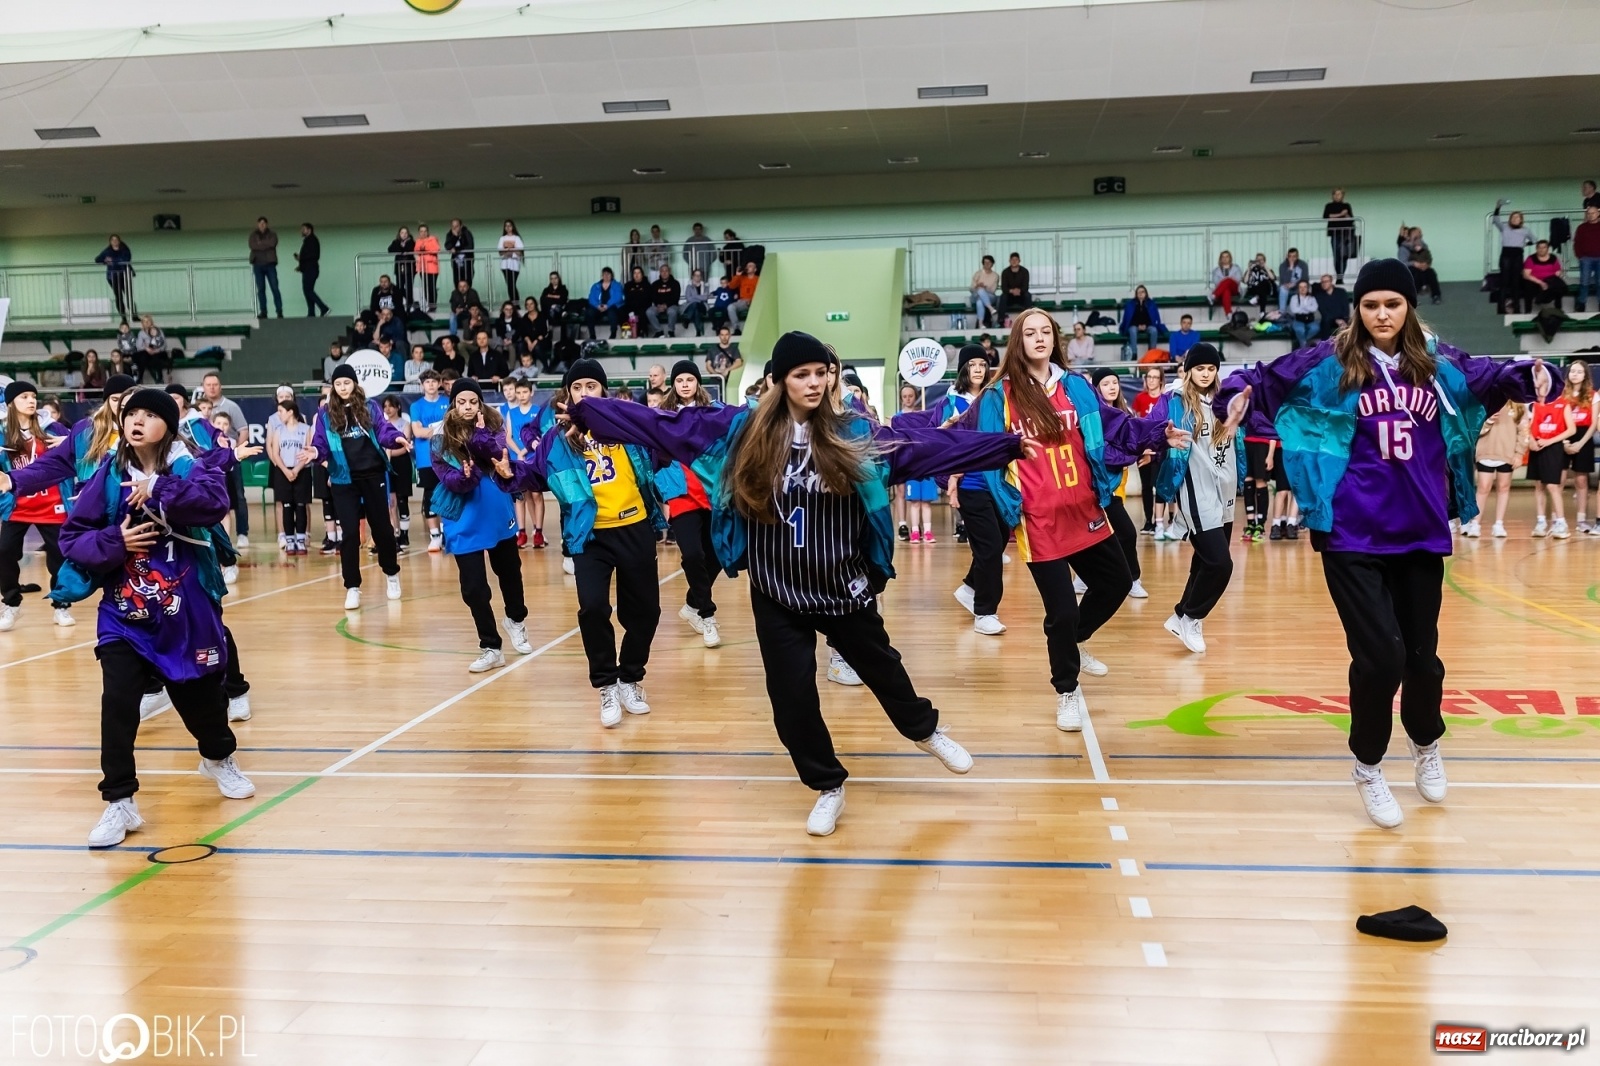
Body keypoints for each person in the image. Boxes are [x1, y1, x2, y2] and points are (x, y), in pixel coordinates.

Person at [563, 332, 1034, 835]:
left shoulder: (855, 433)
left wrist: (1004, 446)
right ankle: (828, 786)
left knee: (885, 670)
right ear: (780, 381)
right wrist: (590, 413)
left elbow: (930, 447)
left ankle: (926, 731)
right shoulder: (743, 432)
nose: (813, 382)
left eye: (820, 372)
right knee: (791, 700)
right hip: (777, 590)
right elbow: (663, 425)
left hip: (842, 587)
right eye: (801, 374)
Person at [1217, 258, 1555, 829]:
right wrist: (1236, 392)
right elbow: (1261, 378)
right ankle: (1368, 764)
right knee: (1381, 657)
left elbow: (1492, 377)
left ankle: (1426, 742)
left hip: (1420, 530)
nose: (1381, 314)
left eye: (1392, 304)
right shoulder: (1330, 362)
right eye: (1371, 304)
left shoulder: (1438, 362)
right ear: (1357, 308)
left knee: (1422, 659)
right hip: (1351, 530)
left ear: (1408, 307)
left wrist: (1533, 372)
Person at [954, 310, 1185, 727]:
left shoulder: (1076, 387)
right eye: (1029, 332)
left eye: (1045, 331)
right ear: (1017, 341)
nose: (1039, 338)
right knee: (1060, 610)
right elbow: (974, 445)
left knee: (1117, 582)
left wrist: (1156, 434)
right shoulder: (998, 396)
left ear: (1054, 339)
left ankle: (1073, 642)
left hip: (1085, 509)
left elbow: (1116, 426)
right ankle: (1067, 689)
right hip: (1038, 518)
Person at [58, 387, 257, 847]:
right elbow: (73, 536)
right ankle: (119, 801)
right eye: (132, 413)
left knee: (202, 703)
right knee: (119, 702)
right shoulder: (109, 474)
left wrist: (161, 487)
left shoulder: (188, 465)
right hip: (124, 613)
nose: (138, 420)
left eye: (150, 414)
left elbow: (213, 504)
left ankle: (217, 757)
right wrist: (117, 543)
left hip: (184, 612)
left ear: (169, 425)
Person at [503, 358, 664, 726]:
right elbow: (534, 473)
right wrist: (509, 469)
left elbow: (660, 451)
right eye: (577, 388)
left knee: (645, 612)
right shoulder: (558, 439)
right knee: (592, 608)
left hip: (634, 527)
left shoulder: (627, 424)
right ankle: (607, 685)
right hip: (589, 535)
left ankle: (631, 677)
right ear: (569, 395)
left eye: (591, 386)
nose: (585, 393)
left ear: (603, 391)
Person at [429, 379, 534, 671]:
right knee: (474, 587)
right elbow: (447, 479)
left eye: (473, 401)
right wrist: (465, 476)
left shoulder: (494, 428)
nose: (467, 407)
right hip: (463, 518)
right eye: (461, 402)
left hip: (497, 511)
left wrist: (477, 438)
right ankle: (491, 646)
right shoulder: (440, 440)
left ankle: (516, 620)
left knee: (510, 572)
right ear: (453, 404)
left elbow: (498, 454)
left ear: (480, 404)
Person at [1154, 344, 1242, 653]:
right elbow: (1156, 429)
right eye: (1200, 368)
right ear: (1189, 370)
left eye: (1211, 368)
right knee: (1220, 564)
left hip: (1225, 488)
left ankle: (1181, 614)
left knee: (1204, 561)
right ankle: (1192, 615)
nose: (1206, 373)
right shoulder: (1175, 401)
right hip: (1194, 487)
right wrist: (1153, 445)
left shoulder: (1226, 399)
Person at [307, 365, 410, 608]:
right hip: (343, 479)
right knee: (350, 534)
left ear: (354, 383)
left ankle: (391, 574)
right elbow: (319, 442)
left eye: (347, 382)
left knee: (383, 529)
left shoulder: (370, 407)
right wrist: (314, 451)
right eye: (338, 384)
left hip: (373, 475)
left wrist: (395, 438)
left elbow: (384, 431)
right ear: (334, 387)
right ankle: (352, 586)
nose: (343, 387)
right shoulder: (325, 413)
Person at [657, 361, 724, 647]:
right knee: (692, 555)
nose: (685, 384)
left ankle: (691, 604)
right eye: (680, 380)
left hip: (709, 492)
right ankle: (707, 615)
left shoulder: (712, 413)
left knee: (718, 554)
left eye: (690, 379)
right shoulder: (663, 415)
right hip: (681, 494)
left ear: (698, 383)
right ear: (673, 384)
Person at [0, 380, 74, 630]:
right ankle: (11, 604)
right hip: (18, 506)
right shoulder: (2, 433)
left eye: (33, 396)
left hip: (52, 505)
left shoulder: (52, 428)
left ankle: (61, 606)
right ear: (11, 403)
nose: (31, 400)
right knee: (5, 552)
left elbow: (81, 449)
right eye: (24, 397)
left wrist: (67, 443)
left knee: (59, 559)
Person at [1089, 369, 1149, 599]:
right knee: (1125, 533)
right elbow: (1108, 454)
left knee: (1111, 534)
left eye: (1115, 382)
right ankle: (1132, 579)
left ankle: (1086, 579)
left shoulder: (1126, 414)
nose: (1112, 387)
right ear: (1096, 389)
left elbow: (1136, 440)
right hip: (1098, 487)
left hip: (1117, 487)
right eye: (1106, 383)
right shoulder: (1094, 417)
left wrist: (1145, 448)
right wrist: (1133, 453)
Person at [1467, 401, 1526, 539]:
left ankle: (1499, 524)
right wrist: (1487, 422)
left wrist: (1519, 453)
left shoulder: (1518, 406)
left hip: (1507, 453)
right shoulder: (1484, 402)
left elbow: (1524, 431)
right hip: (1486, 452)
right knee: (1483, 487)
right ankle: (1475, 523)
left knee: (1504, 487)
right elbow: (1473, 429)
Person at [408, 370, 450, 553]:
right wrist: (439, 428)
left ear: (439, 383)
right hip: (426, 459)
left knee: (450, 494)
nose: (431, 385)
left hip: (448, 457)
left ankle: (447, 532)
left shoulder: (447, 403)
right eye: (427, 382)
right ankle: (434, 536)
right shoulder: (416, 406)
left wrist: (430, 429)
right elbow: (417, 432)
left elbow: (452, 428)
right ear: (422, 385)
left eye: (434, 381)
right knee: (430, 495)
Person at [1527, 376, 1575, 539]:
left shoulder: (1562, 403)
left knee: (1553, 486)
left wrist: (1549, 441)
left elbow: (1571, 430)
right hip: (1537, 446)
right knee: (1539, 485)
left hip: (1553, 447)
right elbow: (1529, 425)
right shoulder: (1535, 404)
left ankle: (1561, 523)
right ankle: (1541, 522)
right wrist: (1531, 440)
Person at [268, 398, 312, 555]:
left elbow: (308, 451)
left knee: (300, 506)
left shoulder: (306, 429)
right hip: (283, 471)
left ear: (290, 411)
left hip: (302, 470)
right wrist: (286, 470)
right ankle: (289, 540)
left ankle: (301, 540)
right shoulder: (278, 431)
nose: (278, 414)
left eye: (281, 411)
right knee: (287, 507)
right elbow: (275, 453)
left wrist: (297, 469)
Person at [895, 385, 939, 542]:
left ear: (916, 397)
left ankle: (924, 529)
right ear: (901, 398)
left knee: (924, 500)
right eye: (904, 396)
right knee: (906, 495)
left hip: (922, 462)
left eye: (910, 395)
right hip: (904, 461)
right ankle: (906, 526)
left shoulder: (922, 415)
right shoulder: (897, 418)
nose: (907, 399)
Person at [503, 377, 542, 548]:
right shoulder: (511, 413)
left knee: (536, 494)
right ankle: (522, 532)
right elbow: (508, 436)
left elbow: (540, 435)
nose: (521, 395)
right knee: (520, 496)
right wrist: (518, 452)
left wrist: (525, 451)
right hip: (518, 459)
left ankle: (539, 532)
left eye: (524, 392)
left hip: (534, 458)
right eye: (518, 392)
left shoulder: (538, 411)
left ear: (531, 392)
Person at [1561, 360, 1597, 533]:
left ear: (1585, 375)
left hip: (1584, 436)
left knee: (1581, 480)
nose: (1575, 374)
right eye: (1572, 371)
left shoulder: (1592, 395)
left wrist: (1580, 443)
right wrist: (1565, 442)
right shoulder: (1561, 394)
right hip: (1564, 435)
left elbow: (1594, 423)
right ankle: (1557, 519)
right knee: (1558, 479)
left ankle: (1582, 520)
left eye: (1579, 371)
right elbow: (1557, 418)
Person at [1131, 366, 1168, 534]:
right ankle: (1148, 521)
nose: (1151, 380)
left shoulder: (1166, 398)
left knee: (1158, 484)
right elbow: (1137, 422)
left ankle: (1160, 521)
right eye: (1149, 377)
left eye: (1155, 377)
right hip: (1144, 448)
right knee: (1146, 486)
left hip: (1160, 448)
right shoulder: (1140, 398)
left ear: (1161, 380)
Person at [381, 395, 414, 548]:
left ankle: (405, 534)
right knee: (391, 501)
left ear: (398, 407)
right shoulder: (382, 425)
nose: (388, 409)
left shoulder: (405, 424)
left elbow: (404, 446)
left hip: (401, 463)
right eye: (385, 406)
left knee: (402, 499)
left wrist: (388, 454)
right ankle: (395, 532)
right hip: (386, 463)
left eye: (391, 406)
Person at [1492, 201, 1534, 314]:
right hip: (1506, 254)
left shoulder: (1525, 230)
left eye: (1518, 217)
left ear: (1521, 219)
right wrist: (1498, 207)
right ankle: (1501, 308)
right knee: (1504, 282)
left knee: (1516, 282)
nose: (1516, 219)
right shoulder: (1505, 227)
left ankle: (1516, 308)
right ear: (1510, 219)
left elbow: (1534, 240)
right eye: (1513, 217)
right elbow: (1495, 220)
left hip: (1517, 255)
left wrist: (1524, 244)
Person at [1395, 225, 1441, 304]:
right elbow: (1403, 263)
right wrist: (1414, 263)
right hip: (1410, 268)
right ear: (1409, 236)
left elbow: (1427, 255)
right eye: (1416, 235)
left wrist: (1426, 264)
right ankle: (1412, 298)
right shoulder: (1403, 248)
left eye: (1420, 235)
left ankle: (1436, 295)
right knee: (1415, 273)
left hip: (1422, 266)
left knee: (1431, 272)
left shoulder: (1422, 244)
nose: (1419, 237)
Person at [248, 216, 283, 318]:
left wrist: (260, 244)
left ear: (267, 224)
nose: (262, 225)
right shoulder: (253, 235)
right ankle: (264, 312)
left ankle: (279, 311)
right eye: (260, 223)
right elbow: (252, 246)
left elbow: (272, 243)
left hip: (270, 264)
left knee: (275, 288)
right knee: (261, 289)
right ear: (257, 224)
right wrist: (264, 245)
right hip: (257, 265)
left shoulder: (272, 234)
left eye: (264, 223)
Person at [95, 234, 134, 322]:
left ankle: (133, 315)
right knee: (119, 296)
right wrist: (105, 261)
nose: (114, 241)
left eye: (116, 239)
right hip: (113, 276)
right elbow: (97, 259)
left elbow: (127, 259)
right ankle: (123, 317)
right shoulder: (107, 251)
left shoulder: (124, 249)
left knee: (129, 296)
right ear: (110, 242)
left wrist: (112, 261)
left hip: (124, 275)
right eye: (112, 240)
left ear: (119, 241)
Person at [294, 222, 329, 317]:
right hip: (308, 269)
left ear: (309, 230)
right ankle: (311, 312)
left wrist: (301, 259)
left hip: (310, 270)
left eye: (303, 229)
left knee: (308, 290)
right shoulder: (309, 241)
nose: (302, 231)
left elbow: (314, 256)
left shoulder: (312, 241)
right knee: (307, 290)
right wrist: (301, 265)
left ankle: (323, 308)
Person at [1119, 285, 1163, 360]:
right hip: (1135, 326)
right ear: (1136, 294)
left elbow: (1153, 319)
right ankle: (1134, 353)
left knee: (1154, 330)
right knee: (1132, 330)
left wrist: (1146, 325)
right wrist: (1138, 325)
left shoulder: (1151, 304)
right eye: (1138, 292)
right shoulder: (1131, 304)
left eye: (1142, 292)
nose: (1140, 294)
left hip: (1147, 326)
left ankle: (1152, 352)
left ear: (1146, 293)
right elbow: (1129, 319)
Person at [1323, 188, 1356, 283]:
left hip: (1346, 234)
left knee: (1343, 256)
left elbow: (1351, 219)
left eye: (1340, 194)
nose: (1338, 196)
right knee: (1336, 256)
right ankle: (1338, 275)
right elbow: (1326, 216)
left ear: (1343, 195)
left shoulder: (1346, 205)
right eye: (1336, 194)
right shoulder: (1329, 206)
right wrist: (1341, 214)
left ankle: (1340, 277)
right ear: (1332, 196)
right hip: (1334, 234)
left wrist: (1345, 215)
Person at [1523, 240, 1567, 309]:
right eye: (1539, 247)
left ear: (1548, 248)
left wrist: (1559, 274)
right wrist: (1541, 283)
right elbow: (1526, 275)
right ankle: (1528, 310)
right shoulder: (1531, 258)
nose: (1541, 249)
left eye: (1544, 247)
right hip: (1535, 281)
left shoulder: (1553, 258)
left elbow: (1558, 271)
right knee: (1528, 286)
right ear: (1536, 249)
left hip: (1549, 280)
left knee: (1561, 286)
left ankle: (1558, 308)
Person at [586, 267, 624, 339]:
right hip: (599, 307)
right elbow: (591, 298)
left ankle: (613, 333)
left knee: (612, 312)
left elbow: (618, 297)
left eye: (608, 274)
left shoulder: (617, 285)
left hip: (611, 306)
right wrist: (597, 306)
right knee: (589, 312)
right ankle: (592, 335)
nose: (606, 276)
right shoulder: (596, 286)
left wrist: (608, 305)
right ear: (602, 276)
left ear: (612, 275)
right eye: (604, 274)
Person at [1575, 205, 1600, 313]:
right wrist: (1580, 256)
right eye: (1588, 213)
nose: (1590, 215)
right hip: (1586, 259)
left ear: (1598, 213)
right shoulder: (1581, 228)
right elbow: (1577, 243)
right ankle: (1581, 304)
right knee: (1584, 282)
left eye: (1592, 213)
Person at [646, 263, 682, 338]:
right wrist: (658, 305)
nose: (664, 273)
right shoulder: (655, 284)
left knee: (672, 311)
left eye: (666, 271)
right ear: (660, 272)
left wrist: (666, 305)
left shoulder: (675, 283)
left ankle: (671, 331)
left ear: (669, 272)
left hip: (672, 305)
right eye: (662, 271)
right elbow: (653, 297)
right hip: (658, 306)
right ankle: (659, 331)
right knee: (649, 311)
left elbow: (675, 298)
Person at [1313, 274, 1352, 340]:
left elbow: (1346, 308)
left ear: (1331, 282)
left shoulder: (1341, 292)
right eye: (1322, 282)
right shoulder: (1319, 296)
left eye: (1326, 281)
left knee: (1350, 323)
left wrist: (1344, 320)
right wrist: (1335, 319)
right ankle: (1326, 345)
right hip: (1329, 320)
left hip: (1342, 319)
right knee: (1325, 320)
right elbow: (1323, 312)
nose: (1324, 284)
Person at [414, 223, 441, 313]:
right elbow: (416, 250)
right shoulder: (418, 241)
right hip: (422, 267)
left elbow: (436, 249)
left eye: (425, 231)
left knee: (432, 287)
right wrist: (426, 250)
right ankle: (429, 304)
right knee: (425, 287)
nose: (423, 233)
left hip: (432, 267)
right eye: (421, 231)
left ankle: (433, 305)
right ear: (419, 232)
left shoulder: (432, 239)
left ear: (428, 232)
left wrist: (425, 248)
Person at [388, 226, 417, 306]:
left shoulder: (411, 242)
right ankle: (403, 303)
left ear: (408, 234)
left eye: (405, 233)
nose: (404, 234)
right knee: (399, 287)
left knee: (409, 286)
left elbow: (409, 249)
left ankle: (410, 304)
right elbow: (390, 250)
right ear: (399, 234)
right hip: (399, 268)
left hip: (409, 268)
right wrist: (401, 247)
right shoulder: (396, 241)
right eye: (402, 233)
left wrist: (401, 249)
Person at [136, 314, 169, 384]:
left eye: (148, 321)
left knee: (157, 357)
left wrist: (157, 350)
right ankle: (140, 378)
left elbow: (164, 344)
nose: (147, 323)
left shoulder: (158, 331)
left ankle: (160, 378)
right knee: (142, 357)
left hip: (158, 352)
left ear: (151, 322)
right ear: (142, 323)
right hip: (146, 352)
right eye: (144, 321)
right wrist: (146, 348)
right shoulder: (141, 333)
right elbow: (138, 346)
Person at [497, 220, 524, 303]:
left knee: (512, 285)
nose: (508, 228)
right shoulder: (502, 238)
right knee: (509, 285)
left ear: (513, 227)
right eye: (506, 226)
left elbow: (520, 252)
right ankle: (514, 302)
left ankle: (515, 302)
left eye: (510, 226)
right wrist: (512, 250)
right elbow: (501, 252)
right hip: (505, 265)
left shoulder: (517, 238)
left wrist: (509, 251)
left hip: (515, 266)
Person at [1209, 251, 1242, 316]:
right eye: (1223, 257)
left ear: (1230, 258)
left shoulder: (1236, 268)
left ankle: (1214, 295)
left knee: (1228, 280)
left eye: (1227, 257)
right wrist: (1225, 282)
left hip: (1234, 289)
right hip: (1222, 290)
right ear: (1220, 259)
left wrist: (1226, 280)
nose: (1225, 258)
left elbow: (1237, 280)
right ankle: (1228, 313)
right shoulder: (1216, 270)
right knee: (1226, 291)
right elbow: (1216, 283)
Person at [1288, 280, 1320, 348]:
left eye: (1305, 287)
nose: (1303, 289)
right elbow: (1294, 310)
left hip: (1310, 319)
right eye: (1300, 287)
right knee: (1300, 330)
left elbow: (1314, 308)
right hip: (1298, 319)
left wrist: (1302, 307)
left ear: (1307, 288)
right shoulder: (1294, 298)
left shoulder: (1312, 298)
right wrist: (1308, 308)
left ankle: (1301, 342)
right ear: (1298, 289)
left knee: (1316, 328)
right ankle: (1304, 346)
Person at [444, 218, 475, 289]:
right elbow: (447, 246)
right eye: (453, 226)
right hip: (456, 264)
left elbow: (470, 246)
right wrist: (455, 237)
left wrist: (456, 249)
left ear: (461, 226)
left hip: (467, 263)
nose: (455, 228)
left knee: (468, 283)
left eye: (456, 226)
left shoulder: (467, 233)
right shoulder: (449, 234)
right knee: (457, 283)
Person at [999, 252, 1031, 319]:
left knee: (1027, 295)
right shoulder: (1005, 272)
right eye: (1012, 260)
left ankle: (1028, 318)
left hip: (1021, 295)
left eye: (1016, 259)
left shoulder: (1025, 271)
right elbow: (1004, 288)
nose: (1014, 261)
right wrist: (1012, 291)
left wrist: (1019, 290)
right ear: (1009, 261)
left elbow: (1025, 287)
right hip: (1009, 296)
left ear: (1019, 261)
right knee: (1003, 297)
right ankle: (1000, 320)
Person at [539, 271, 570, 340]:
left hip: (558, 312)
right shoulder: (546, 290)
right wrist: (556, 298)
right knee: (545, 301)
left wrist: (550, 296)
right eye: (551, 279)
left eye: (555, 278)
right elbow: (543, 299)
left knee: (552, 307)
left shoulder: (563, 289)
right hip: (550, 312)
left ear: (558, 279)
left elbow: (562, 299)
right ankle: (556, 308)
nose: (553, 280)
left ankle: (556, 308)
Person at [971, 255, 1000, 327]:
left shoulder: (995, 275)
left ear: (992, 264)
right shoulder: (978, 274)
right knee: (980, 291)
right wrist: (977, 286)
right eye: (985, 262)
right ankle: (990, 308)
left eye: (989, 262)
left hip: (990, 296)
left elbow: (993, 290)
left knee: (979, 301)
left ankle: (980, 324)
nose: (987, 264)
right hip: (976, 295)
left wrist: (985, 288)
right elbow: (971, 288)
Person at [679, 268, 709, 338]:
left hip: (702, 306)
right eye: (696, 275)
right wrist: (699, 297)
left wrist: (694, 297)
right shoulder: (689, 287)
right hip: (691, 306)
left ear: (701, 277)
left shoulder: (705, 287)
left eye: (699, 275)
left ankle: (687, 320)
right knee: (695, 309)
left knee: (695, 304)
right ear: (693, 276)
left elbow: (705, 298)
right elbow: (688, 298)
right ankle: (698, 331)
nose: (697, 277)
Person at [731, 261, 759, 332]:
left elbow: (761, 292)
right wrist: (737, 275)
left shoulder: (758, 279)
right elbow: (731, 286)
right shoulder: (741, 278)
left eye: (750, 266)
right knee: (730, 307)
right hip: (742, 301)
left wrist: (752, 300)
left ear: (755, 269)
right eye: (747, 266)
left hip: (755, 302)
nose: (748, 267)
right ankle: (736, 328)